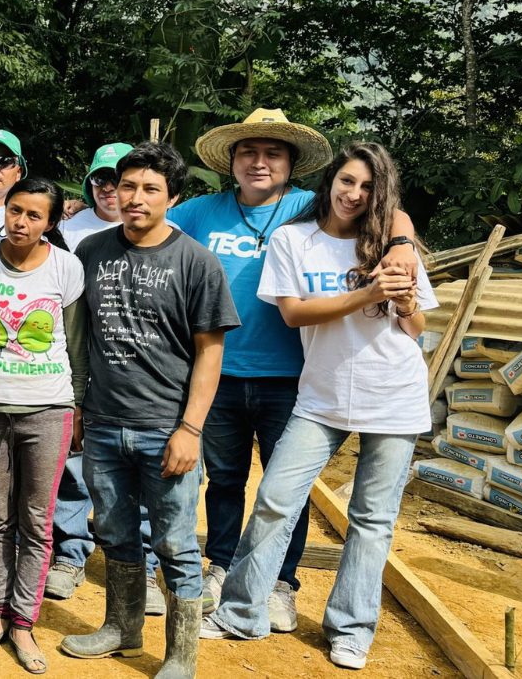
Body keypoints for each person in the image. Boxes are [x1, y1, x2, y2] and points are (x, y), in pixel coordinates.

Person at [173, 108, 419, 627]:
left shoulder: (314, 206)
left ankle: (283, 581)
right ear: (232, 162)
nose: (259, 162)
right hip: (219, 369)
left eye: (272, 154)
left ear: (292, 165)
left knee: (287, 489)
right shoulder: (200, 212)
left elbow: (386, 206)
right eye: (248, 153)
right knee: (224, 479)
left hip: (294, 374)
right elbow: (147, 221)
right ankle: (221, 566)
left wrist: (400, 243)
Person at [59, 142, 239, 679]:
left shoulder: (196, 262)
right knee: (113, 530)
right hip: (104, 423)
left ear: (173, 197)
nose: (135, 198)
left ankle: (181, 654)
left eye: (150, 189)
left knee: (177, 543)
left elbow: (211, 352)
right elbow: (78, 337)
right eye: (128, 186)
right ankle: (122, 627)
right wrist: (79, 409)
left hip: (167, 427)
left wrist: (190, 428)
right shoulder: (91, 250)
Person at [0, 178, 84, 674]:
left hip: (49, 411)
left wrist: (80, 408)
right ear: (4, 210)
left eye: (33, 215)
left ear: (50, 223)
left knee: (37, 521)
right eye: (15, 211)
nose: (21, 222)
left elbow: (76, 345)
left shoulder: (66, 268)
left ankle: (24, 621)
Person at [44, 142, 165, 615]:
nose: (111, 190)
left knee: (141, 475)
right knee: (74, 469)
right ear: (90, 183)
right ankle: (70, 553)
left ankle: (147, 568)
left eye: (121, 181)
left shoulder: (160, 230)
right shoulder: (72, 232)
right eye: (101, 180)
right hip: (86, 365)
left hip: (142, 374)